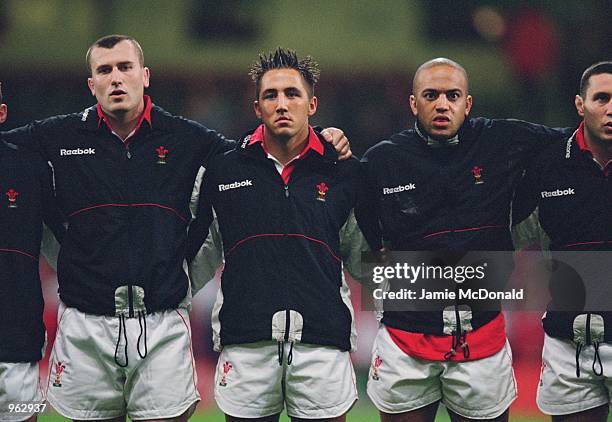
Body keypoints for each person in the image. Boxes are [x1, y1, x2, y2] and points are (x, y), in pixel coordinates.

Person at [2, 35, 351, 422]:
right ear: (92, 84)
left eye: (125, 67)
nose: (116, 78)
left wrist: (320, 138)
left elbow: (256, 153)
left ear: (145, 76)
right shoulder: (55, 137)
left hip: (162, 323)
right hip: (85, 325)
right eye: (104, 70)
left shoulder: (189, 139)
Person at [356, 58, 571, 422]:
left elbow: (573, 144)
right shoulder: (381, 162)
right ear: (413, 103)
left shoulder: (504, 140)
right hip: (405, 341)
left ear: (467, 103)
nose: (443, 104)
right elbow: (365, 241)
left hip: (482, 337)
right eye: (431, 95)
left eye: (453, 95)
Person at [186, 47, 367, 422]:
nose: (281, 104)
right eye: (271, 95)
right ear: (257, 108)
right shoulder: (223, 170)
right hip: (246, 345)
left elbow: (365, 257)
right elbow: (200, 255)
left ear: (312, 104)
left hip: (322, 345)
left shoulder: (344, 173)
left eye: (292, 94)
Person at [513, 61, 612, 421]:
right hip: (569, 343)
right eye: (602, 98)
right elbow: (511, 234)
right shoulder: (548, 164)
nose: (611, 108)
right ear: (579, 105)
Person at [0, 83, 64, 422]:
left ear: (2, 114)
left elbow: (64, 239)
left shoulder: (29, 170)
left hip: (18, 346)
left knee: (23, 416)